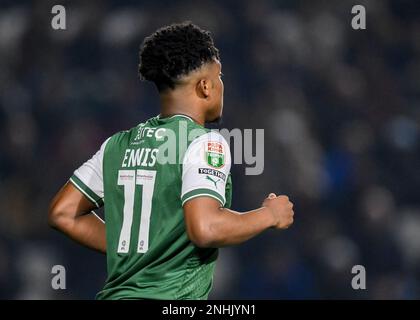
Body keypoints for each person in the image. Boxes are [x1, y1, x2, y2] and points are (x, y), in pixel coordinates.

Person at [48, 22, 294, 300]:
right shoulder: (203, 142)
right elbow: (205, 228)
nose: (222, 85)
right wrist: (268, 215)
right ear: (205, 86)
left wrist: (140, 248)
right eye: (220, 76)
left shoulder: (117, 144)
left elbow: (63, 213)